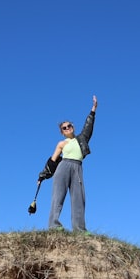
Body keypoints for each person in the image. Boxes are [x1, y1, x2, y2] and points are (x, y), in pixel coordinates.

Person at [41, 95, 97, 231]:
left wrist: (93, 110)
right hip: (63, 167)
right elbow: (53, 160)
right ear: (62, 132)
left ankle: (79, 229)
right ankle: (54, 225)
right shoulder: (61, 143)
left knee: (79, 199)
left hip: (77, 167)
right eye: (64, 128)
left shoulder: (82, 138)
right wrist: (42, 175)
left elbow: (88, 126)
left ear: (73, 127)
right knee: (58, 196)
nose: (68, 128)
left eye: (69, 126)